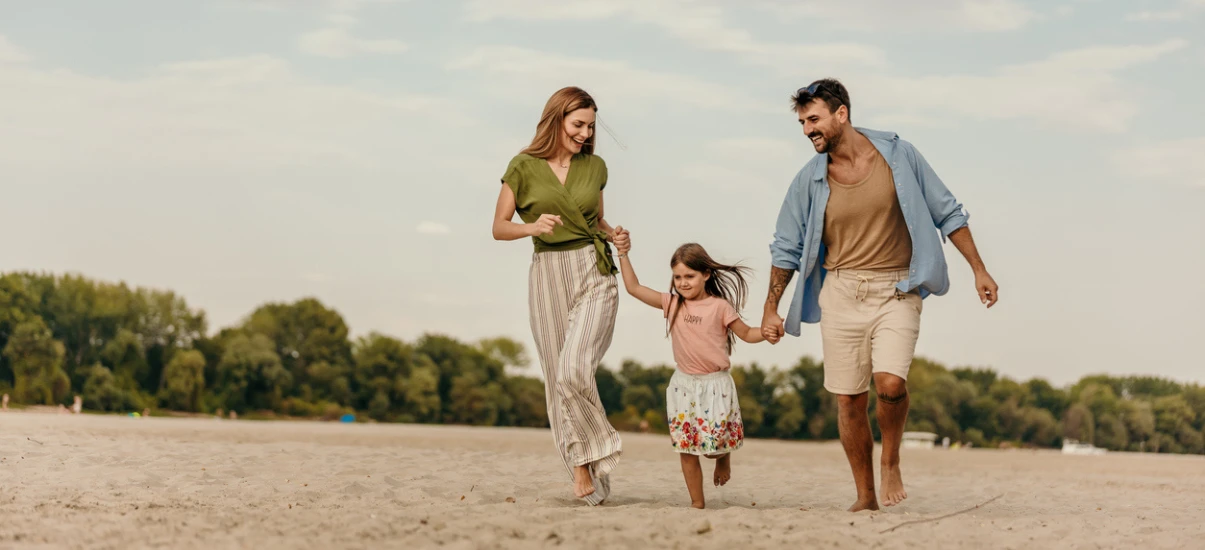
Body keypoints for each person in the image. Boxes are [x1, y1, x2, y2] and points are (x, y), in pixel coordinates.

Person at [761, 79, 999, 512]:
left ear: (841, 114)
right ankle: (865, 495)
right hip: (841, 291)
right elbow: (786, 246)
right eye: (801, 123)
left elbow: (946, 210)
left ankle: (891, 457)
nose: (806, 131)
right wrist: (770, 306)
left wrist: (978, 269)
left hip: (897, 287)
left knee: (890, 384)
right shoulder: (809, 180)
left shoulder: (899, 155)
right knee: (850, 398)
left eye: (813, 120)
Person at [492, 86, 628, 505]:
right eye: (578, 125)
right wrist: (532, 227)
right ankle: (583, 468)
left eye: (590, 126)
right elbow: (499, 227)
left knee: (573, 368)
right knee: (557, 378)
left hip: (593, 269)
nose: (585, 134)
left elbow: (597, 220)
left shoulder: (595, 166)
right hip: (548, 274)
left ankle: (599, 448)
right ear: (556, 120)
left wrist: (615, 234)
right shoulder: (522, 166)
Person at [615, 238, 764, 509]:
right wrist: (623, 254)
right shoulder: (673, 304)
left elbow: (747, 333)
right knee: (686, 448)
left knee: (711, 448)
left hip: (715, 385)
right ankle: (697, 503)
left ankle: (723, 456)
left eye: (689, 276)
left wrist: (766, 333)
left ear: (706, 274)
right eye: (677, 277)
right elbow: (634, 288)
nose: (683, 283)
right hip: (683, 385)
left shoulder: (720, 307)